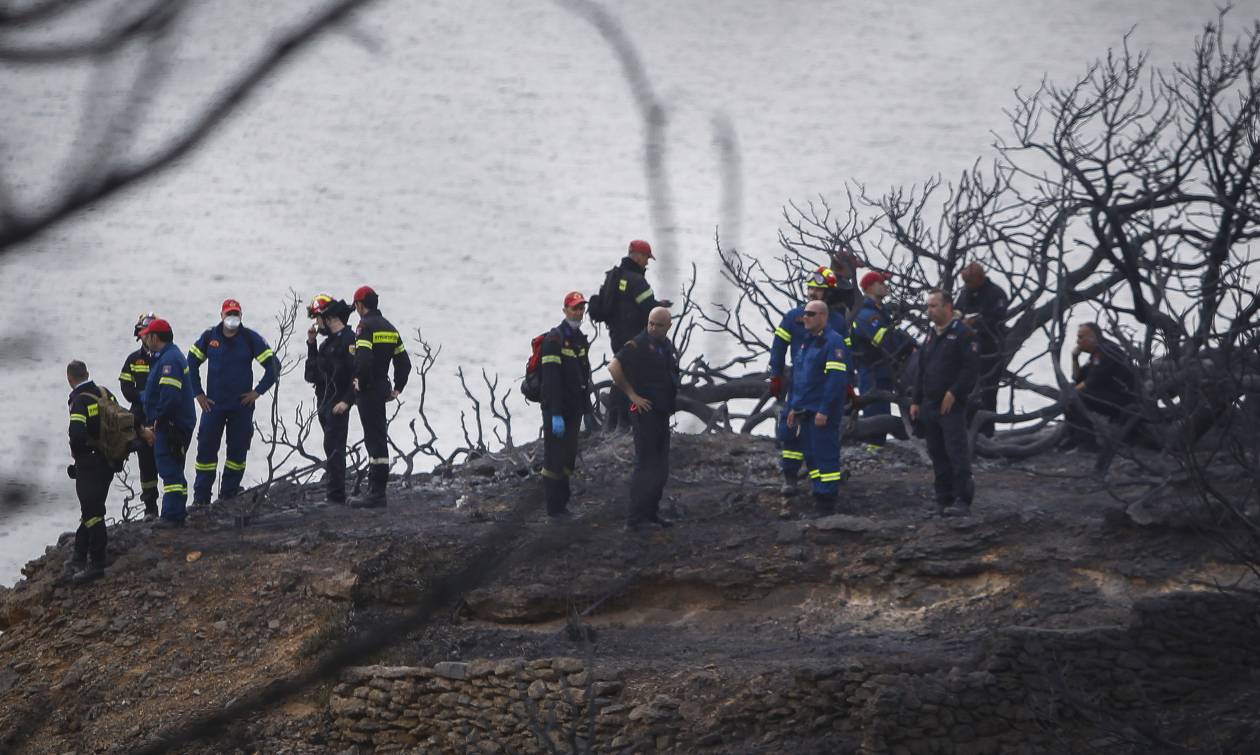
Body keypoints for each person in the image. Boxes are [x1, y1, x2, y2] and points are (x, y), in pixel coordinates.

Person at [767, 266, 851, 496]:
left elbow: (846, 357)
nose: (813, 292)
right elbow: (778, 345)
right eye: (811, 288)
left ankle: (822, 486)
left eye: (818, 289)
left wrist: (848, 384)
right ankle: (790, 477)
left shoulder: (837, 323)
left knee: (819, 436)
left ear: (829, 293)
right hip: (800, 382)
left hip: (825, 386)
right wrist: (775, 373)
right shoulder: (795, 316)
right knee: (790, 431)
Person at [187, 299, 278, 507]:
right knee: (206, 453)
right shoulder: (210, 337)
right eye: (229, 314)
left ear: (241, 316)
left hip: (241, 408)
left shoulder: (249, 338)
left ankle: (228, 495)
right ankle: (201, 499)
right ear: (221, 315)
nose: (232, 318)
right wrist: (198, 393)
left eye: (235, 314)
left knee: (237, 453)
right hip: (213, 406)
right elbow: (191, 362)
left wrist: (257, 392)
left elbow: (274, 366)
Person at [609, 306, 679, 531]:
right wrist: (632, 395)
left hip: (661, 412)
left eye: (659, 325)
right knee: (645, 464)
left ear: (669, 326)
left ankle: (652, 513)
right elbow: (614, 367)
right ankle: (636, 518)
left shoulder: (665, 346)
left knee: (661, 465)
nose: (653, 328)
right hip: (644, 413)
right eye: (651, 323)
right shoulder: (637, 344)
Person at [910, 290, 979, 517]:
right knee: (937, 452)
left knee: (956, 451)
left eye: (934, 306)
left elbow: (970, 369)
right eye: (928, 306)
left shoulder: (963, 334)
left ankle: (962, 498)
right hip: (929, 404)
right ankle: (943, 498)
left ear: (947, 307)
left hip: (951, 405)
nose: (929, 310)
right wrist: (916, 400)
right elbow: (922, 368)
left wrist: (954, 392)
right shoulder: (931, 335)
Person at [785, 300, 851, 516]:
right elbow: (800, 378)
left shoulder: (834, 342)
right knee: (811, 455)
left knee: (825, 456)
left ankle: (827, 502)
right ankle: (818, 494)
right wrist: (794, 407)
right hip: (805, 409)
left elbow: (835, 381)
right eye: (804, 314)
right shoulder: (807, 342)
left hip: (823, 412)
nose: (805, 317)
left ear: (823, 316)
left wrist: (824, 410)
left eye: (811, 314)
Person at [349, 285, 411, 508]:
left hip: (368, 390)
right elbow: (404, 362)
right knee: (378, 436)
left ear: (359, 305)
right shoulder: (390, 328)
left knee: (374, 441)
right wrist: (398, 388)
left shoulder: (364, 326)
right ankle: (376, 490)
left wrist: (359, 382)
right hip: (382, 388)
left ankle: (376, 493)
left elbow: (363, 360)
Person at [604, 239, 672, 433]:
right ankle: (624, 423)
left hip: (616, 335)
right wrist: (661, 307)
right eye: (646, 258)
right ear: (639, 256)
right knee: (632, 376)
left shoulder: (617, 276)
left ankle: (612, 421)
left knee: (621, 375)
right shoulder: (637, 280)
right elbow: (649, 307)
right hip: (632, 336)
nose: (647, 263)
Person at [136, 318, 197, 528]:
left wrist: (157, 420)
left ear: (155, 337)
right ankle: (178, 511)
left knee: (169, 468)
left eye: (147, 336)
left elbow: (169, 396)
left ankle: (171, 516)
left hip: (170, 425)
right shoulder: (167, 356)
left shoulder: (169, 360)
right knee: (176, 468)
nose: (145, 339)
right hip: (173, 423)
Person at [539, 292, 593, 519]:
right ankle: (554, 509)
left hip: (574, 408)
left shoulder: (579, 339)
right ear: (565, 311)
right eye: (574, 308)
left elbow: (583, 376)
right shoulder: (554, 340)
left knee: (568, 457)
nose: (578, 313)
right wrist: (554, 413)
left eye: (581, 308)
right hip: (557, 409)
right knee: (554, 460)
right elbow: (551, 380)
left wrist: (587, 409)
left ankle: (564, 505)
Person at [65, 361, 116, 583]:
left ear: (70, 379)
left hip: (90, 464)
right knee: (93, 507)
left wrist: (78, 456)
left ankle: (96, 562)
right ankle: (79, 550)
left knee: (93, 513)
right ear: (87, 373)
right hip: (109, 461)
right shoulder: (104, 393)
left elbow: (76, 434)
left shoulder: (79, 401)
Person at [852, 271, 915, 449]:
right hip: (871, 370)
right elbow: (885, 340)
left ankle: (878, 444)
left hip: (884, 369)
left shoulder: (879, 311)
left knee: (883, 406)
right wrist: (906, 344)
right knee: (875, 409)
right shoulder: (866, 315)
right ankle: (873, 446)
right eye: (882, 283)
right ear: (870, 287)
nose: (886, 286)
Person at [304, 294, 357, 504]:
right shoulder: (326, 345)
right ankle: (334, 493)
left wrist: (346, 401)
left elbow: (356, 374)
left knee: (335, 448)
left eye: (318, 318)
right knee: (330, 447)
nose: (316, 323)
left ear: (329, 317)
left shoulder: (349, 340)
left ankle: (336, 496)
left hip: (338, 403)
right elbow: (310, 375)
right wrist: (311, 344)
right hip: (324, 402)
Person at [1062, 323, 1139, 451]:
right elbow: (1077, 379)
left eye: (1081, 337)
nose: (1077, 341)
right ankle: (1073, 436)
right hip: (1109, 395)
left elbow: (1089, 383)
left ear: (1092, 337)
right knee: (1071, 391)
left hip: (1123, 400)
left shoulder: (1107, 351)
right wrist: (1075, 358)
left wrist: (1070, 395)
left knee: (1078, 396)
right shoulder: (1096, 353)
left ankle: (1089, 443)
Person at [954, 262, 1009, 437]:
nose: (966, 285)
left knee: (988, 391)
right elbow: (957, 310)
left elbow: (998, 319)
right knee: (966, 390)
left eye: (969, 281)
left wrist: (976, 323)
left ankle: (987, 431)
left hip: (990, 350)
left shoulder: (996, 294)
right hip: (967, 350)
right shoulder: (964, 293)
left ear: (979, 277)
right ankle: (967, 427)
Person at [118, 313, 161, 520]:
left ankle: (174, 506)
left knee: (169, 460)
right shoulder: (133, 360)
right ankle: (150, 507)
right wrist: (140, 396)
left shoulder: (166, 357)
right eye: (145, 334)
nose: (148, 338)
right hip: (141, 416)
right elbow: (125, 387)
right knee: (145, 462)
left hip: (162, 415)